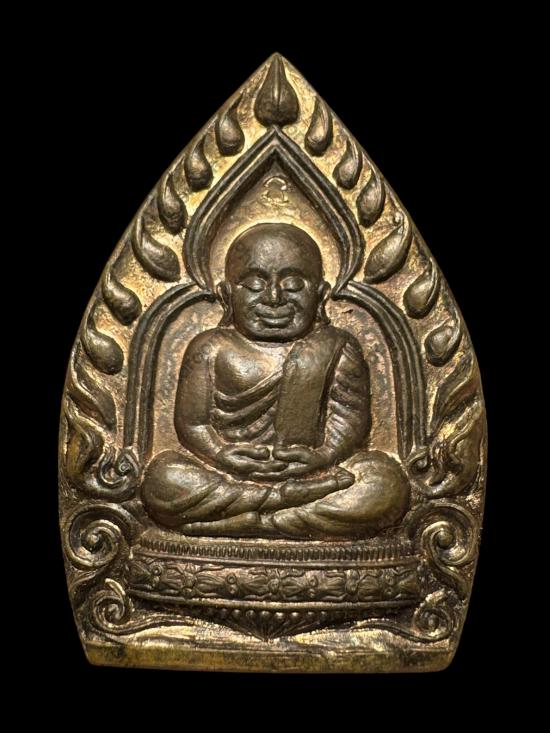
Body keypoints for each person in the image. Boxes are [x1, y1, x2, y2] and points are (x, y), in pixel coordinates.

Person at [141, 222, 409, 538]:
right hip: (230, 476)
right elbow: (193, 423)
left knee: (386, 483)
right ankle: (283, 506)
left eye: (293, 284)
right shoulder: (210, 347)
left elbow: (348, 420)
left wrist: (322, 456)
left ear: (321, 295)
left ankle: (254, 522)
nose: (274, 298)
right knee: (163, 479)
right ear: (227, 295)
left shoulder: (337, 346)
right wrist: (221, 454)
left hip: (312, 474)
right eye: (255, 284)